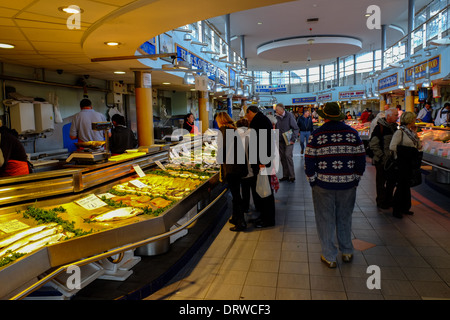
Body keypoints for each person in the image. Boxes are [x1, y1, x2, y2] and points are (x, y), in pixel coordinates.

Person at [304, 102, 366, 268]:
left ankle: (329, 256)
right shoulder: (353, 134)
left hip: (323, 185)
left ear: (325, 117)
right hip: (347, 184)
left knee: (325, 220)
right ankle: (346, 251)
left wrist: (313, 180)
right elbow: (361, 159)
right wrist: (356, 179)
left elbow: (309, 160)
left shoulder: (316, 135)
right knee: (345, 217)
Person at [216, 112, 248, 232]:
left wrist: (218, 160)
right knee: (236, 194)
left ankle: (241, 222)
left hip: (232, 167)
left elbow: (222, 149)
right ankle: (235, 217)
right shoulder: (232, 129)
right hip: (238, 166)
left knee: (236, 195)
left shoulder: (224, 130)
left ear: (220, 120)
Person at [245, 105, 276, 228]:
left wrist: (262, 161)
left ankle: (267, 219)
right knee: (263, 190)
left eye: (247, 114)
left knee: (265, 191)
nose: (247, 117)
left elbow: (263, 142)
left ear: (251, 112)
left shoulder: (259, 121)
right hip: (262, 161)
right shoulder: (262, 119)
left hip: (262, 162)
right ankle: (263, 216)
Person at [389, 112, 423, 219]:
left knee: (406, 186)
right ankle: (397, 209)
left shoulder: (412, 132)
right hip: (402, 163)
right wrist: (409, 151)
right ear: (410, 120)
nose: (415, 121)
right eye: (413, 119)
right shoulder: (400, 132)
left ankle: (405, 207)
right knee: (401, 186)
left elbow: (418, 145)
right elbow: (392, 146)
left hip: (410, 163)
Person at [369, 107, 399, 209]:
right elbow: (373, 144)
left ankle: (388, 200)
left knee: (391, 182)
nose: (397, 117)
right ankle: (381, 201)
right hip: (381, 161)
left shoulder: (395, 128)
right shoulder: (380, 128)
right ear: (389, 116)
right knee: (381, 182)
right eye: (395, 115)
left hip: (392, 161)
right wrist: (381, 156)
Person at [236, 118, 259, 219]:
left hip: (242, 168)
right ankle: (257, 206)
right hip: (253, 166)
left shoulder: (235, 135)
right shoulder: (252, 133)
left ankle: (246, 207)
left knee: (245, 189)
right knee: (254, 188)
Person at [275, 103, 299, 182]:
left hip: (289, 140)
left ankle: (292, 176)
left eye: (277, 110)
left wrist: (293, 139)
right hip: (280, 140)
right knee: (282, 158)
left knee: (288, 156)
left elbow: (295, 128)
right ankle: (285, 175)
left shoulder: (289, 115)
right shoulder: (276, 117)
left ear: (282, 109)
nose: (276, 111)